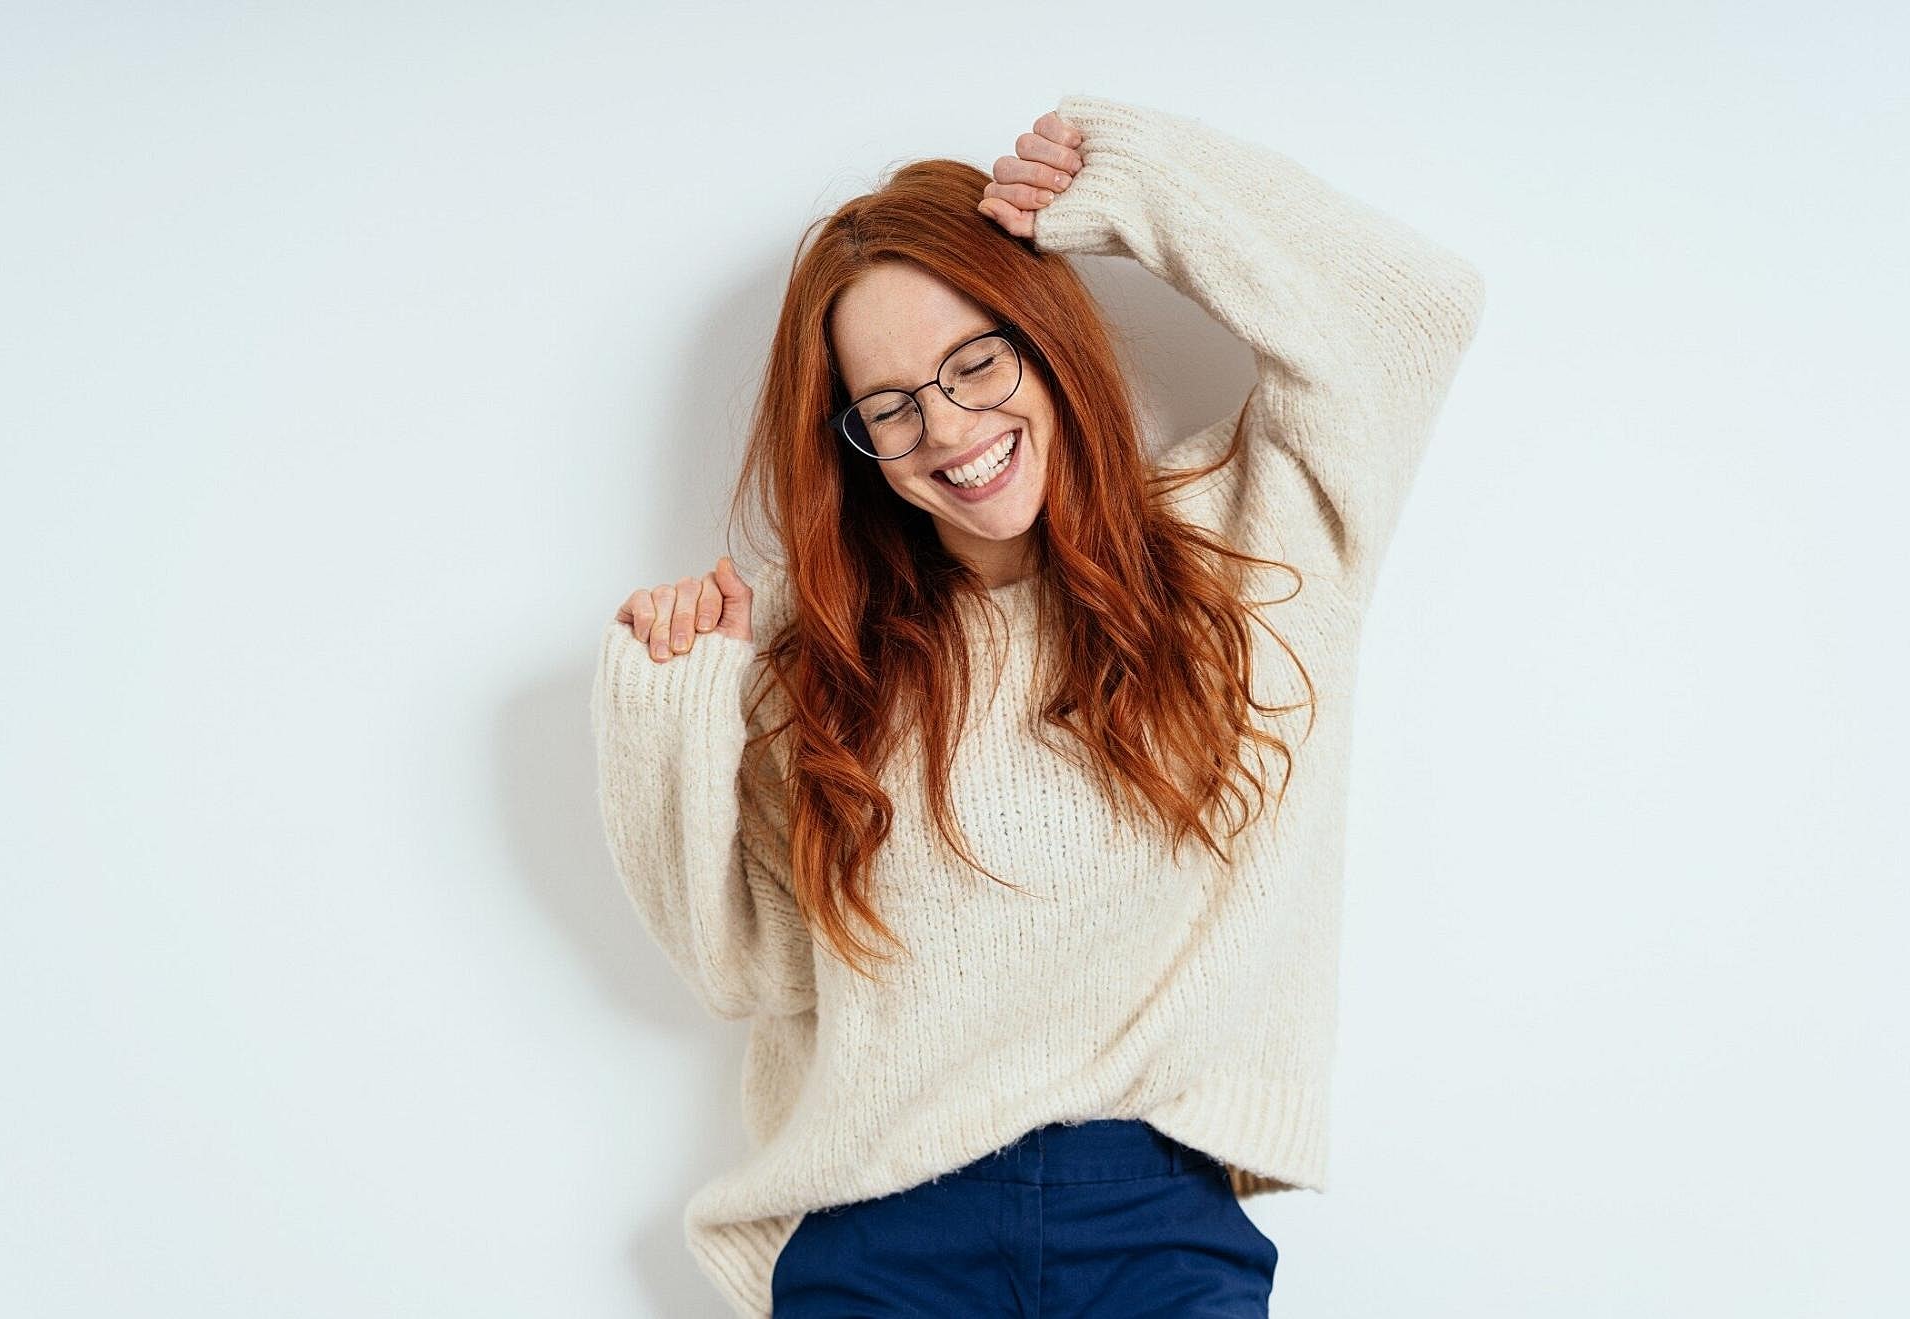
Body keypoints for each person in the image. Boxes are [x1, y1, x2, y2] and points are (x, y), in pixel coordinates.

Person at [590, 90, 1485, 1318]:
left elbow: (1415, 311)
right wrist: (669, 714)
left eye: (975, 362)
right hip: (878, 1237)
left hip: (1150, 1221)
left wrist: (1144, 181)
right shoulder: (824, 654)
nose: (946, 428)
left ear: (1047, 339)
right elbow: (746, 967)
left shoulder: (1248, 538)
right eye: (889, 405)